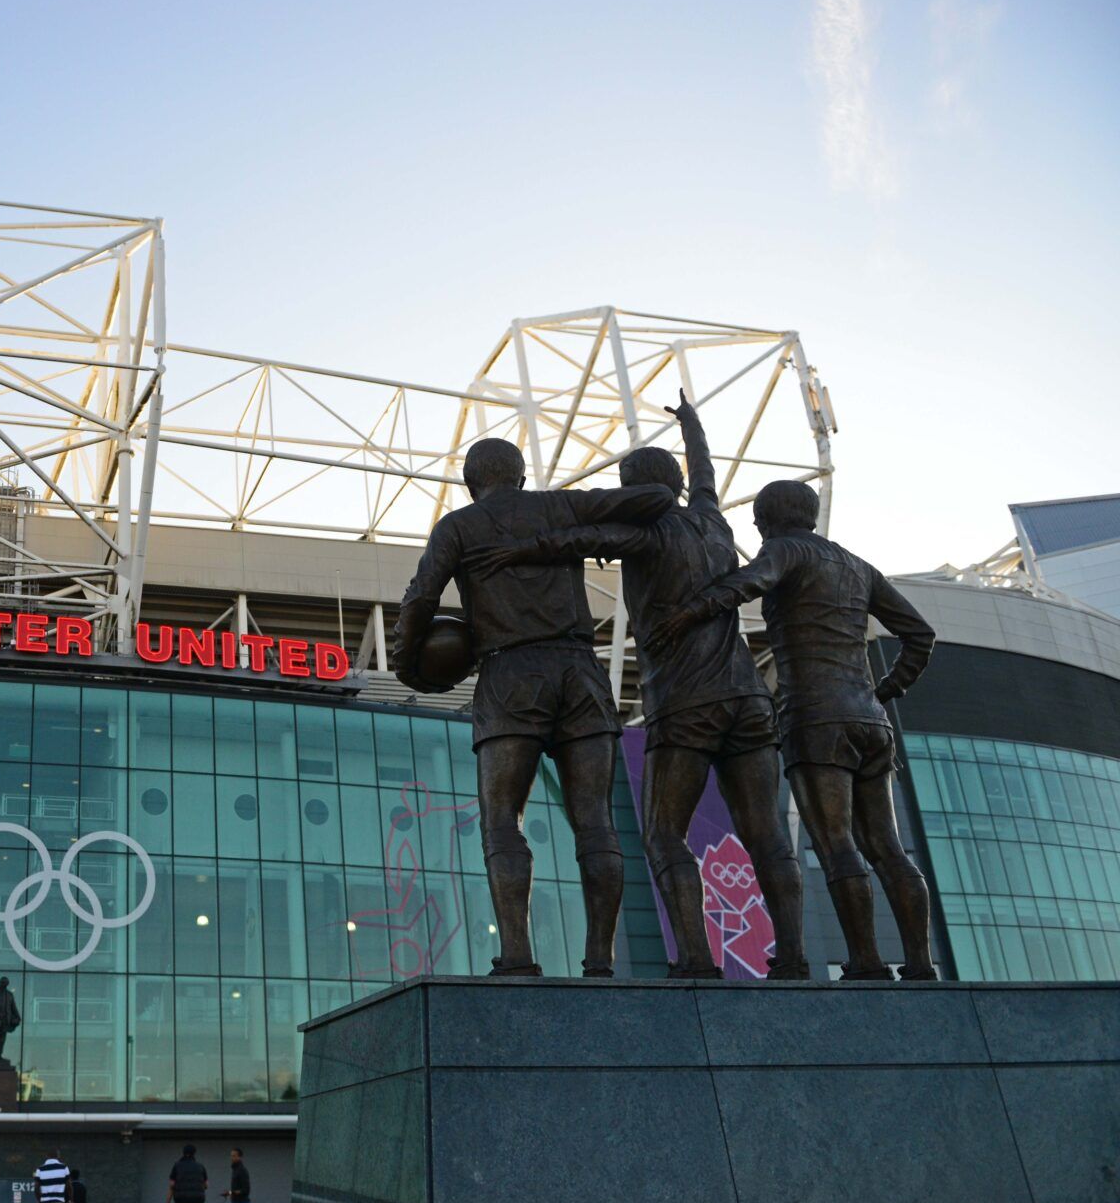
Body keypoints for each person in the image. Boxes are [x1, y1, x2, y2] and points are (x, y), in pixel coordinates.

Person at [465, 394, 809, 978]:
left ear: (633, 492)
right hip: (750, 700)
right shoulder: (712, 518)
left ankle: (697, 960)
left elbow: (571, 542)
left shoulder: (644, 537)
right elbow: (706, 474)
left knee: (664, 835)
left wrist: (517, 549)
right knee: (768, 834)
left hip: (686, 703)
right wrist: (692, 424)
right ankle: (796, 957)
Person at [394, 437, 675, 976]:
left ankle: (518, 956)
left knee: (502, 822)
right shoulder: (557, 505)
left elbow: (420, 598)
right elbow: (658, 497)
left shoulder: (458, 526)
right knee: (595, 823)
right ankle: (600, 961)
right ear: (521, 478)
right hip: (580, 673)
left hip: (510, 675)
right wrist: (569, 535)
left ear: (470, 484)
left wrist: (409, 667)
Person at [650, 478, 937, 979]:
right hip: (870, 720)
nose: (757, 530)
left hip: (817, 720)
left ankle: (867, 960)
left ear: (771, 520)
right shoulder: (857, 565)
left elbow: (746, 584)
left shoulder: (785, 551)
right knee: (887, 847)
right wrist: (887, 690)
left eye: (759, 521)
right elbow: (920, 634)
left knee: (836, 845)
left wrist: (688, 612)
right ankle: (918, 962)